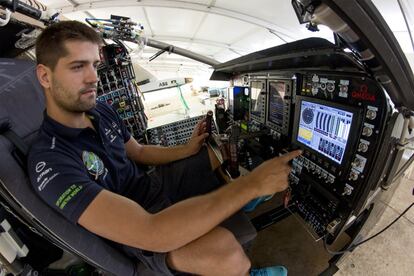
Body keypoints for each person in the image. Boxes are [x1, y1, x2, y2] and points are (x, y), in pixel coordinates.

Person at [28, 20, 301, 276]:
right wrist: (250, 185)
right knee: (228, 253)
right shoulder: (50, 161)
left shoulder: (100, 109)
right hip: (134, 234)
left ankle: (249, 199)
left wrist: (187, 148)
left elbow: (139, 152)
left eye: (95, 66)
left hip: (149, 187)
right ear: (45, 76)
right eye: (77, 67)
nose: (92, 78)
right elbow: (150, 232)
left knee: (216, 154)